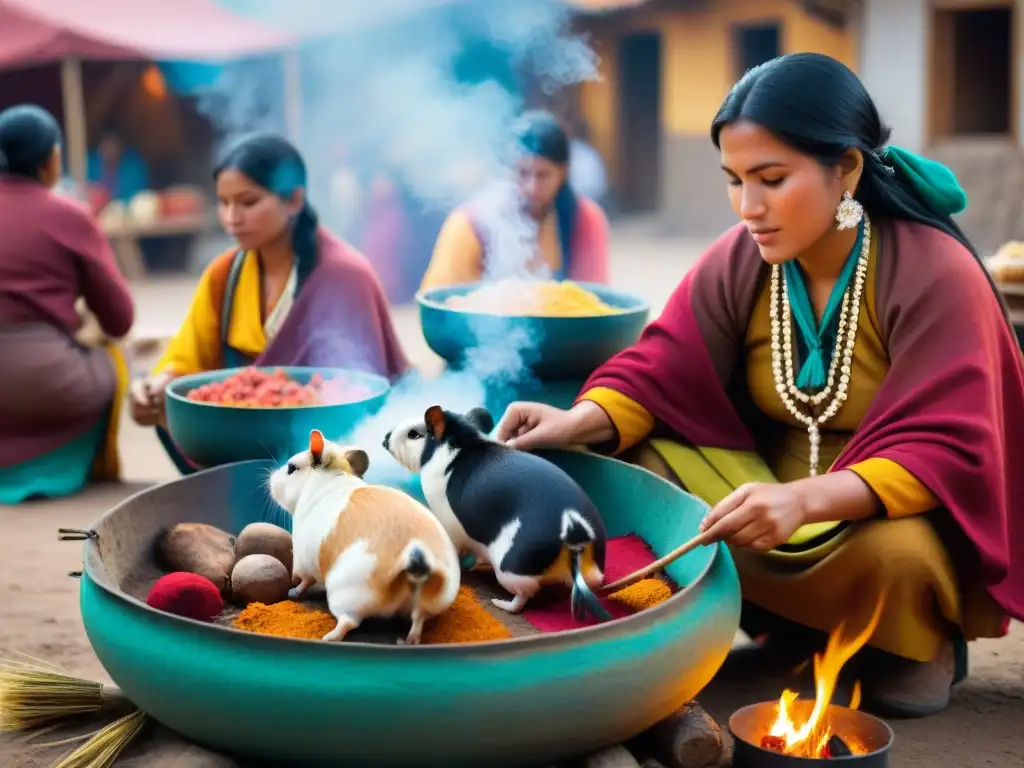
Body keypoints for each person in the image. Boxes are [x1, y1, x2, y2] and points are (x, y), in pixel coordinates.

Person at [495, 53, 1024, 719]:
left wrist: (806, 502)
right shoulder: (744, 258)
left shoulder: (934, 272)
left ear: (847, 170)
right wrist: (577, 422)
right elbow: (663, 365)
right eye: (735, 180)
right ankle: (782, 627)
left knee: (900, 555)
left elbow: (949, 448)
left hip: (874, 518)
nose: (750, 207)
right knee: (634, 468)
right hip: (762, 497)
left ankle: (912, 647)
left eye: (772, 179)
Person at [129, 134, 409, 474]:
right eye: (223, 203)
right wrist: (158, 386)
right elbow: (189, 357)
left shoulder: (344, 275)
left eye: (247, 203)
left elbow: (361, 391)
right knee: (167, 405)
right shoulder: (224, 274)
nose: (232, 217)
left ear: (293, 200)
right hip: (240, 433)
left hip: (317, 440)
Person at [0, 105, 135, 504]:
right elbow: (119, 320)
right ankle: (86, 468)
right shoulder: (68, 216)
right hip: (49, 386)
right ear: (51, 160)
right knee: (118, 358)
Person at [419, 110, 610, 291]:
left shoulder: (584, 219)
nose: (531, 187)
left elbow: (593, 298)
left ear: (563, 173)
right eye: (522, 173)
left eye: (543, 175)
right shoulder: (471, 223)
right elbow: (437, 303)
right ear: (507, 169)